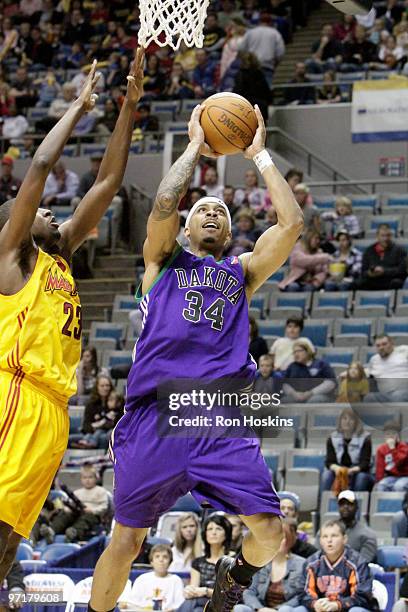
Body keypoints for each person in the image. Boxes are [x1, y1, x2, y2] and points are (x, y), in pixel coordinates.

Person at [88, 103, 304, 612]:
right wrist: (194, 147)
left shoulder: (241, 273)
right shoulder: (163, 261)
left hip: (219, 416)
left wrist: (258, 154)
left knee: (271, 534)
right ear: (187, 230)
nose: (210, 213)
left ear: (229, 235)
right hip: (156, 415)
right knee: (127, 541)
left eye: (221, 213)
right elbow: (165, 200)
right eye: (203, 209)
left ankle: (236, 576)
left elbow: (291, 224)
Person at [0, 50, 145, 581]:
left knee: (10, 544)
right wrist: (81, 107)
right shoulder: (9, 260)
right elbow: (38, 167)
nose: (47, 210)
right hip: (14, 398)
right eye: (35, 211)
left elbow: (106, 184)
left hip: (54, 414)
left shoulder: (59, 256)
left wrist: (128, 108)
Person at [293, 520, 377, 612]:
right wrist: (315, 604)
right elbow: (303, 593)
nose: (329, 540)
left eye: (334, 536)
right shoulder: (311, 563)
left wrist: (338, 605)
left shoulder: (358, 563)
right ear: (320, 541)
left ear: (344, 539)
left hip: (347, 609)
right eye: (325, 536)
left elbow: (362, 597)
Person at [235, 521, 304, 612]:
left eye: (281, 538)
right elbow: (249, 592)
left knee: (286, 610)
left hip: (285, 609)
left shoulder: (301, 564)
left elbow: (301, 595)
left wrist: (276, 610)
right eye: (274, 538)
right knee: (239, 608)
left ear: (289, 540)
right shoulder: (260, 561)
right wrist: (260, 608)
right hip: (261, 608)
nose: (277, 542)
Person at [178, 514, 233, 612]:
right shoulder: (198, 562)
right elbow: (194, 588)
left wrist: (206, 591)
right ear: (205, 534)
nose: (214, 532)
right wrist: (189, 591)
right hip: (202, 603)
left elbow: (231, 595)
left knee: (192, 605)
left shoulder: (233, 562)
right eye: (210, 529)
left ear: (226, 534)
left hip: (224, 604)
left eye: (218, 529)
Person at [321, 408, 373, 492]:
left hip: (358, 471)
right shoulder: (332, 437)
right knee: (327, 475)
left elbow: (365, 463)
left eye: (351, 419)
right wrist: (339, 469)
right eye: (344, 418)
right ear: (340, 421)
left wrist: (350, 470)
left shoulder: (365, 438)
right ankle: (325, 502)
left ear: (356, 422)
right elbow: (329, 462)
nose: (347, 422)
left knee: (361, 478)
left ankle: (356, 503)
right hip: (339, 470)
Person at [120, 544, 185, 611]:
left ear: (170, 562)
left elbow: (180, 605)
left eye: (165, 557)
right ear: (151, 562)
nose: (161, 560)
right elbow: (133, 602)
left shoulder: (176, 580)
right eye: (157, 557)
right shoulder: (142, 579)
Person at [64, 465, 110, 543]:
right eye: (85, 478)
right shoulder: (77, 492)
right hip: (77, 514)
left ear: (96, 478)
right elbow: (70, 504)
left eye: (90, 477)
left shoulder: (101, 491)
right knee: (64, 515)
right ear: (81, 479)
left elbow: (104, 507)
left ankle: (74, 532)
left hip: (93, 516)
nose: (87, 480)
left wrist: (92, 510)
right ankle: (52, 530)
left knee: (85, 519)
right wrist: (68, 509)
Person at [354, 224, 407, 290]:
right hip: (373, 280)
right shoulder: (369, 250)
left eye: (388, 235)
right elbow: (363, 271)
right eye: (382, 236)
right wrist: (369, 273)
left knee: (396, 282)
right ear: (377, 236)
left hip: (390, 280)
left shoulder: (399, 250)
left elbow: (401, 271)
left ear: (391, 236)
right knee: (357, 283)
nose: (385, 239)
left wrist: (384, 271)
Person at [238, 12, 285, 85]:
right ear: (271, 22)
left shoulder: (250, 32)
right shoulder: (275, 33)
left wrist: (246, 61)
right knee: (265, 92)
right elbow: (280, 52)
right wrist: (275, 63)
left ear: (259, 21)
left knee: (251, 92)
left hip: (251, 66)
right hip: (267, 66)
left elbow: (241, 49)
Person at [73, 375, 115, 449]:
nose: (105, 388)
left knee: (103, 435)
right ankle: (86, 444)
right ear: (97, 388)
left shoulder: (116, 402)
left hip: (108, 431)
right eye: (102, 386)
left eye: (107, 385)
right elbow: (86, 425)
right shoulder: (91, 404)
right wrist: (95, 427)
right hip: (92, 432)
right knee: (71, 438)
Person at [336, 490, 377, 563]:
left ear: (357, 507)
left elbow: (363, 563)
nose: (345, 507)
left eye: (350, 504)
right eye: (342, 504)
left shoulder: (368, 535)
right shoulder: (326, 532)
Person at [364, 336, 408, 403]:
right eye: (378, 346)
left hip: (404, 392)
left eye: (384, 344)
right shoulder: (374, 359)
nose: (381, 348)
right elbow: (368, 371)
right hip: (384, 395)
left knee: (397, 396)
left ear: (392, 344)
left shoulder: (403, 352)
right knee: (368, 398)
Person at [375, 421, 408, 492]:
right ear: (384, 436)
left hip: (405, 476)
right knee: (381, 486)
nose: (390, 436)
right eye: (387, 434)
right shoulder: (381, 449)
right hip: (391, 477)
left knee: (399, 486)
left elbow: (399, 463)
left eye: (393, 433)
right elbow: (380, 469)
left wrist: (392, 448)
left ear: (398, 435)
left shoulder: (404, 447)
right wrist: (378, 482)